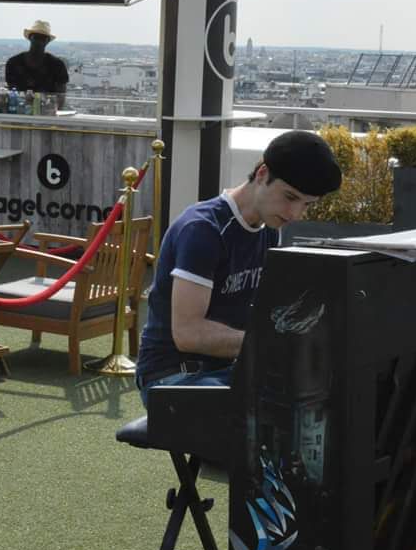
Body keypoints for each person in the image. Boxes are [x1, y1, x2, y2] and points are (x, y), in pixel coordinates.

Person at [135, 130, 343, 407]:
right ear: (262, 174)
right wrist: (275, 345)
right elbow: (188, 334)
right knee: (278, 410)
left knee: (332, 391)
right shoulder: (203, 229)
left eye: (306, 205)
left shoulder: (268, 230)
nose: (295, 214)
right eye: (290, 197)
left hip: (230, 370)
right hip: (174, 376)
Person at [4, 20, 69, 109]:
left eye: (43, 38)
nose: (39, 41)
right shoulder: (13, 63)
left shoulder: (57, 65)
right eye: (36, 37)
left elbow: (61, 98)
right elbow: (11, 93)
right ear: (30, 38)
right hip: (20, 113)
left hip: (47, 114)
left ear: (47, 41)